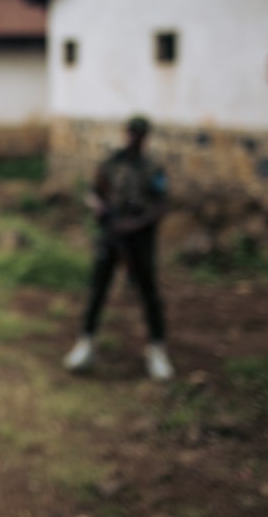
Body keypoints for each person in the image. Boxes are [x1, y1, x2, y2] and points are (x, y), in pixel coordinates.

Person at [62, 115, 174, 381]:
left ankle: (157, 349)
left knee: (148, 292)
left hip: (140, 238)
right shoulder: (111, 163)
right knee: (98, 289)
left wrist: (135, 224)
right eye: (131, 133)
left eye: (139, 134)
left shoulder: (152, 168)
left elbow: (160, 205)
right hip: (111, 235)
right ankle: (85, 343)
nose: (134, 138)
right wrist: (101, 209)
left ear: (145, 137)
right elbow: (94, 192)